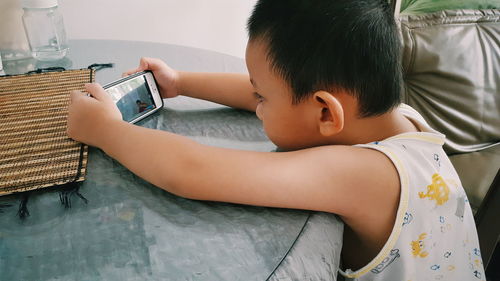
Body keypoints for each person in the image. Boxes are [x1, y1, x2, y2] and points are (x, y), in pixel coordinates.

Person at [66, 0, 485, 280]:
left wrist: (105, 130)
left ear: (325, 112)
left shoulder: (367, 176)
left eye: (263, 98)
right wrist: (179, 82)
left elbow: (192, 171)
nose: (257, 103)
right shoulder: (397, 117)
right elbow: (264, 93)